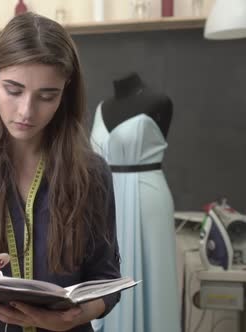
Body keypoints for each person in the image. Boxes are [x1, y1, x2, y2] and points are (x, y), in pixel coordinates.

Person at [0, 12, 121, 332]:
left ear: (65, 93)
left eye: (47, 95)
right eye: (13, 90)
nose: (27, 111)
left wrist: (76, 316)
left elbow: (106, 279)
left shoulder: (92, 174)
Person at [90, 73, 179, 332]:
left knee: (152, 279)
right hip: (106, 197)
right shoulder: (101, 108)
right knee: (106, 271)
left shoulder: (160, 102)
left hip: (146, 198)